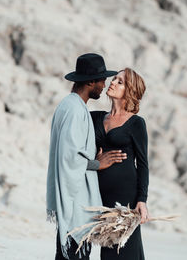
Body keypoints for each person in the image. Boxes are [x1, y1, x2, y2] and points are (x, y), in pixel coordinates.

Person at [46, 53, 127, 260]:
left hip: (72, 202)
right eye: (101, 80)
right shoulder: (74, 110)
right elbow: (69, 157)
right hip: (75, 205)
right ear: (91, 81)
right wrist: (97, 164)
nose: (104, 85)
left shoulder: (71, 105)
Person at [90, 68, 150, 260]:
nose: (113, 82)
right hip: (100, 195)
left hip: (126, 197)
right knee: (107, 248)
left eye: (120, 82)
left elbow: (142, 164)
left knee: (124, 248)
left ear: (130, 91)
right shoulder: (95, 117)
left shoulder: (136, 123)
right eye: (114, 79)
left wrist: (142, 199)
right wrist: (95, 163)